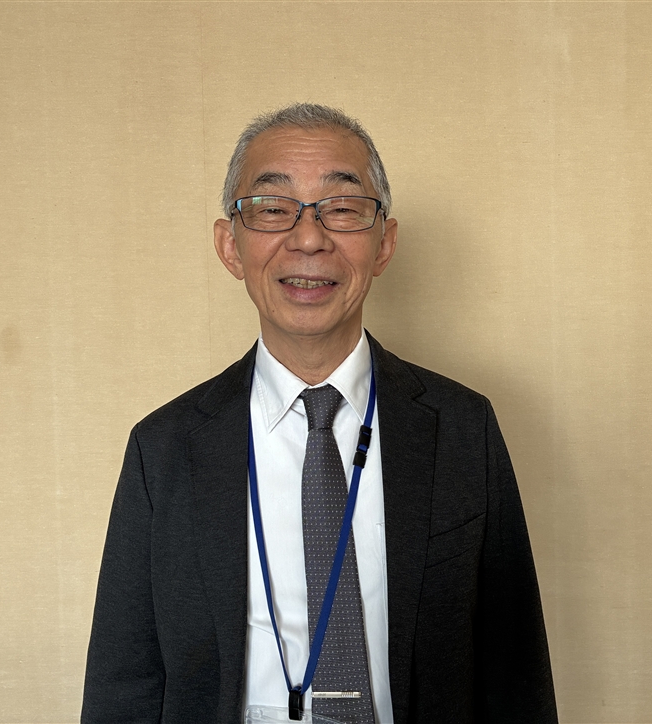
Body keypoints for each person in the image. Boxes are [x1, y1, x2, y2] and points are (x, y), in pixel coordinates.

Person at [81, 103, 558, 723]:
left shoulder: (464, 428)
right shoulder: (164, 447)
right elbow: (124, 684)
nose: (309, 238)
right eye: (273, 209)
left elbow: (515, 674)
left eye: (342, 208)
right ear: (230, 246)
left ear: (384, 243)